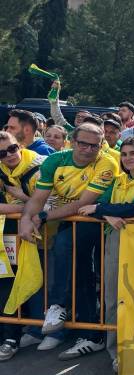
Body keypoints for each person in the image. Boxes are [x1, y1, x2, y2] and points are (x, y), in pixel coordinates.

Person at [18, 123, 119, 360]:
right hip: (66, 219)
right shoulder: (55, 161)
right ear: (72, 141)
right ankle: (88, 332)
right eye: (83, 143)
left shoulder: (106, 163)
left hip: (96, 221)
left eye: (94, 145)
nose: (87, 149)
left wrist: (41, 217)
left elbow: (81, 204)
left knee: (67, 249)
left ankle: (59, 306)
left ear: (101, 145)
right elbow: (38, 198)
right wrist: (26, 218)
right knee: (80, 272)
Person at [76, 137, 134, 371]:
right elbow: (91, 208)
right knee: (113, 297)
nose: (127, 158)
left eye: (133, 153)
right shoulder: (119, 180)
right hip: (116, 240)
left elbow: (133, 208)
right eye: (124, 154)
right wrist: (106, 214)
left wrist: (102, 209)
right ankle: (117, 353)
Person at [0, 131, 47, 361]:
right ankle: (10, 334)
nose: (9, 155)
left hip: (44, 234)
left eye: (12, 148)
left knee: (40, 282)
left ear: (19, 144)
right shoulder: (2, 170)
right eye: (2, 153)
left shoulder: (39, 165)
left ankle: (36, 330)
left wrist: (24, 200)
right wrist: (25, 206)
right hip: (8, 234)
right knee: (7, 283)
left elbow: (46, 204)